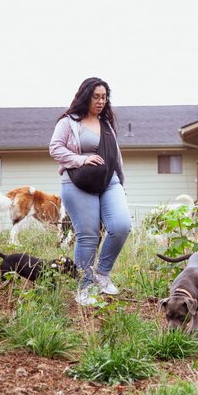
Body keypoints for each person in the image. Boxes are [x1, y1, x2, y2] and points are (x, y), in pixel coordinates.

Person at [49, 77, 131, 306]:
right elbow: (55, 148)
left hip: (109, 181)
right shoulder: (69, 122)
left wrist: (121, 184)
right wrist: (81, 160)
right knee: (89, 235)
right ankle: (84, 287)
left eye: (104, 97)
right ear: (86, 95)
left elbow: (117, 157)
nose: (101, 101)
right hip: (77, 182)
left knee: (121, 226)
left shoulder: (106, 125)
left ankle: (102, 274)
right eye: (96, 96)